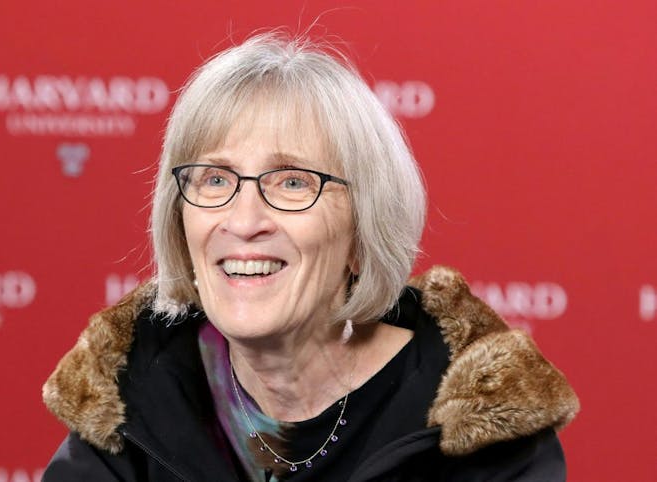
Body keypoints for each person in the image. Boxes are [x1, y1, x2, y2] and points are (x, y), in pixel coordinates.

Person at [42, 33, 579, 482]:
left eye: (293, 182)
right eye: (214, 179)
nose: (244, 220)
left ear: (361, 230)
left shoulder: (483, 430)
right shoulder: (129, 398)